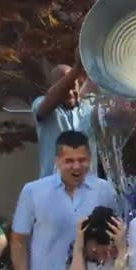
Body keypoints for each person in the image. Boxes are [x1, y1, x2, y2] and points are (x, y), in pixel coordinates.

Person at [11, 131, 117, 270]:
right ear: (57, 161)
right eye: (69, 161)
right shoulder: (33, 192)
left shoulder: (104, 190)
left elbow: (114, 239)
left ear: (90, 159)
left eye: (82, 160)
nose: (76, 167)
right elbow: (19, 241)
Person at [33, 47, 99, 178]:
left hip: (88, 190)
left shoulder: (89, 108)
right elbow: (46, 106)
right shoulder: (40, 104)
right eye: (65, 87)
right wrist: (76, 69)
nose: (69, 92)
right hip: (53, 191)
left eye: (72, 86)